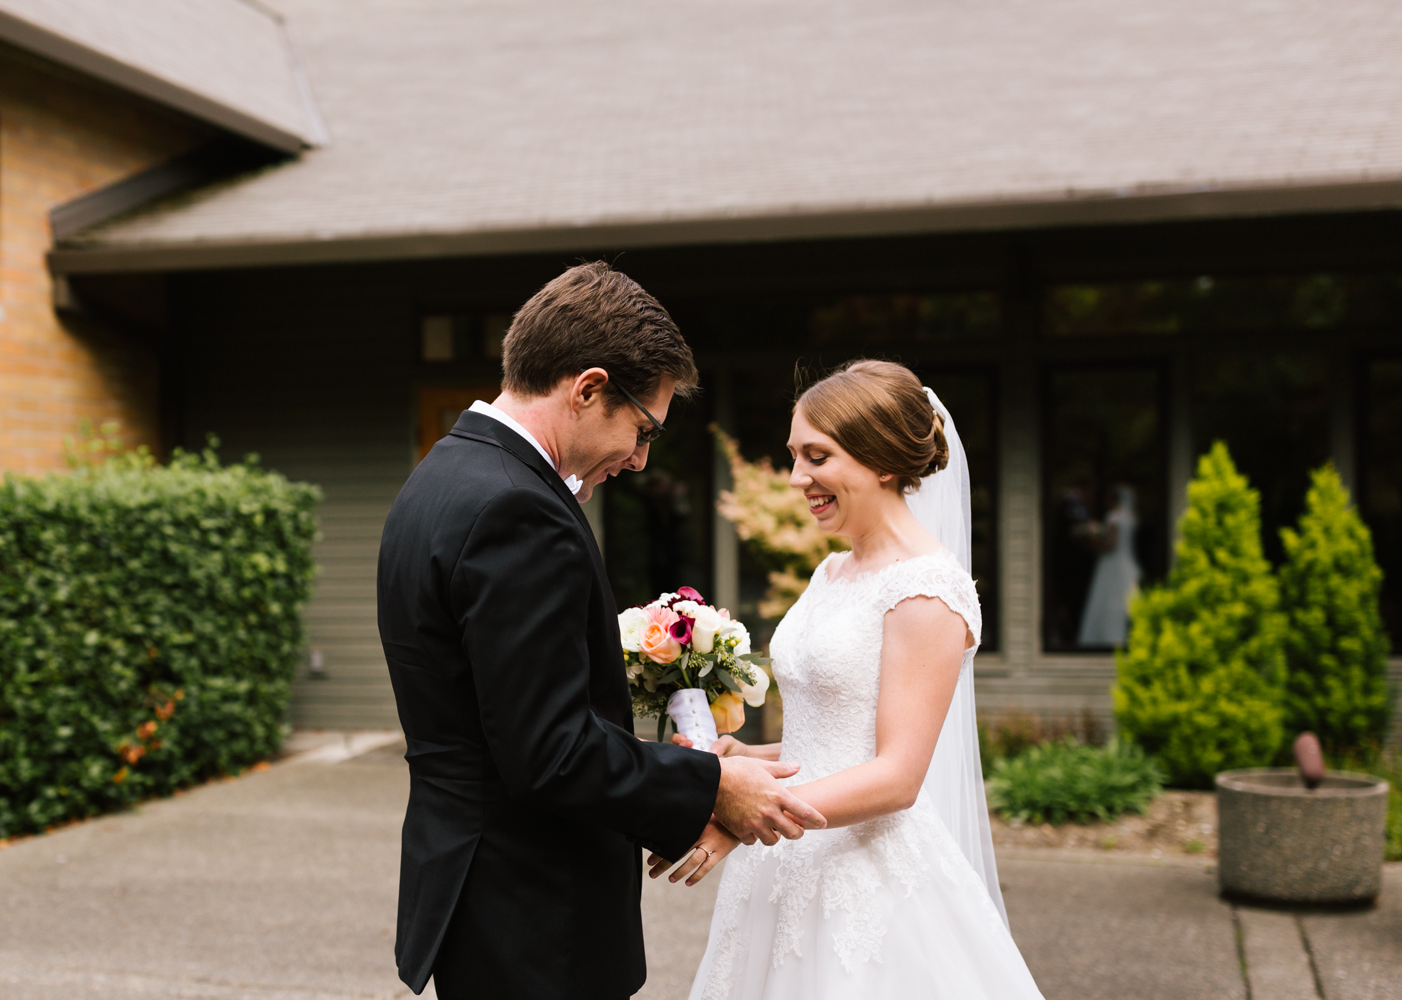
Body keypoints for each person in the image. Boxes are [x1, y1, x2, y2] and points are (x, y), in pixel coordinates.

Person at [376, 262, 826, 1000]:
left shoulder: (438, 479)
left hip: (474, 886)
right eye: (642, 428)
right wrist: (710, 785)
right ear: (587, 389)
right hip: (534, 912)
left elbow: (502, 717)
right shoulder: (519, 511)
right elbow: (549, 753)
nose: (641, 458)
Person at [656, 360, 1043, 999]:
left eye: (818, 456)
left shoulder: (927, 592)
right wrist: (742, 761)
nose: (797, 477)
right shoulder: (832, 573)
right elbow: (833, 738)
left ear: (882, 461)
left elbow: (896, 775)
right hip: (786, 863)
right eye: (794, 456)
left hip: (864, 877)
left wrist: (748, 812)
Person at [1076, 484, 1142, 647]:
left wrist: (1093, 544)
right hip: (1127, 562)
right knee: (1123, 600)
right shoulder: (1131, 517)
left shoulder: (1114, 517)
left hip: (1111, 564)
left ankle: (1108, 636)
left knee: (1107, 599)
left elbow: (1111, 544)